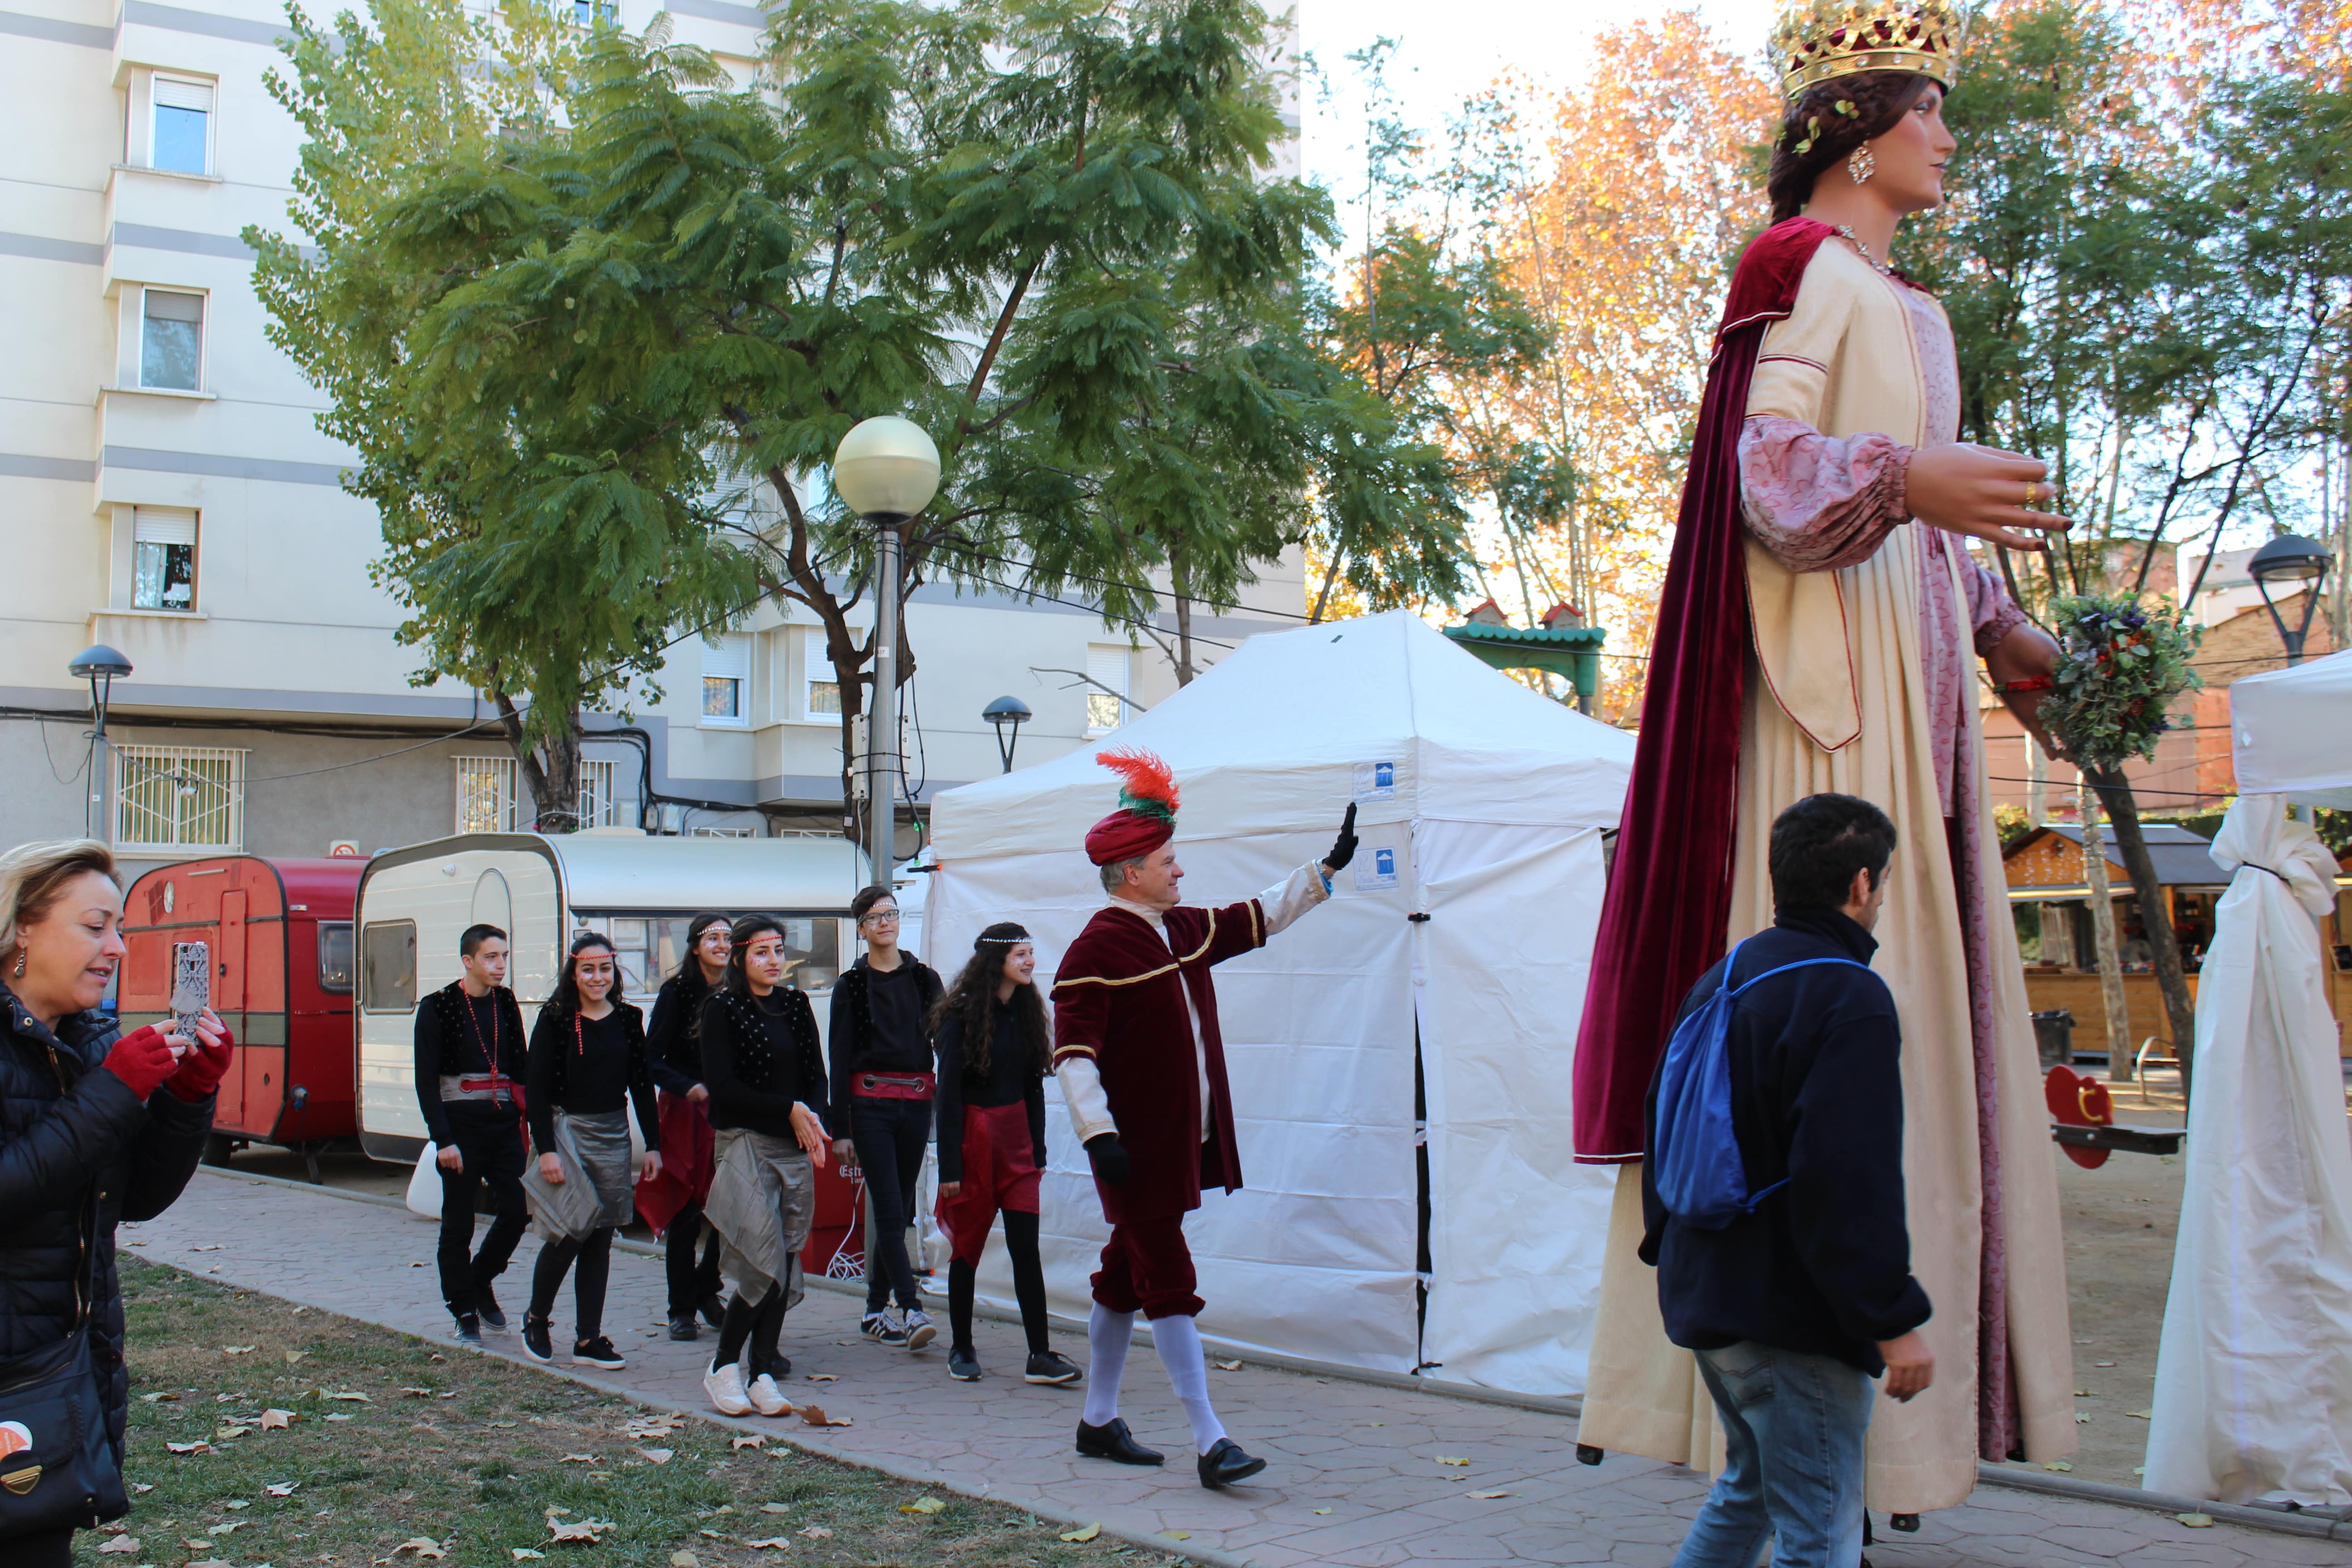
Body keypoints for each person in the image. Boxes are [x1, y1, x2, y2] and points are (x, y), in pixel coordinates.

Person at [1568, 0, 2079, 1508]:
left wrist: (2006, 632)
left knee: (1913, 1049)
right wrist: (1906, 474)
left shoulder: (1908, 304)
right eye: (1929, 111)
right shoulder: (1795, 263)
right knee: (1851, 1041)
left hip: (1916, 717)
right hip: (1829, 716)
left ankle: (1879, 1451)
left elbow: (1924, 542)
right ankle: (1809, 1445)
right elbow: (1767, 473)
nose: (1946, 137)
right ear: (1858, 135)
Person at [1052, 747, 1357, 1488]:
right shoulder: (1095, 948)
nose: (1179, 871)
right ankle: (1209, 1439)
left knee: (1121, 1280)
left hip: (1174, 1145)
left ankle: (1098, 1421)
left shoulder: (1179, 928)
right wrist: (1099, 1134)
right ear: (1131, 873)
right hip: (1132, 1152)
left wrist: (1324, 870)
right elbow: (1072, 1055)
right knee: (1168, 1280)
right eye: (1168, 862)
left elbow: (1256, 917)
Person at [1645, 795, 1934, 1568]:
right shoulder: (1847, 993)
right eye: (1883, 881)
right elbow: (1847, 1176)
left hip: (1706, 1288)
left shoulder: (1727, 972)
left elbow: (1661, 1120)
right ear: (1863, 883)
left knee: (1748, 1492)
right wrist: (1889, 1317)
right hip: (1788, 1312)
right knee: (1817, 1528)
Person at [0, 840, 230, 1568]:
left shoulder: (93, 1042)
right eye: (96, 927)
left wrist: (188, 1099)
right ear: (22, 926)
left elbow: (138, 1199)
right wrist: (113, 1093)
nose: (118, 949)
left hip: (61, 1379)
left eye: (120, 930)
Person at [931, 922, 1080, 1385]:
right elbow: (947, 1094)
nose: (1030, 961)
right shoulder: (960, 1016)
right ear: (996, 961)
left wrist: (1038, 1150)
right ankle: (961, 1347)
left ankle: (1040, 1354)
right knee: (967, 1248)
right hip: (975, 1142)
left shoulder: (1027, 1012)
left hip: (1017, 1145)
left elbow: (1033, 1087)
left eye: (1031, 953)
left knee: (1026, 1250)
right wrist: (950, 1166)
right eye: (1021, 954)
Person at [699, 915, 833, 1418]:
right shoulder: (723, 1008)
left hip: (793, 1145)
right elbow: (724, 1087)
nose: (774, 961)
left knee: (787, 1258)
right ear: (739, 958)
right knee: (764, 1261)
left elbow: (816, 1075)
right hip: (746, 1144)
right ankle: (722, 1366)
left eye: (779, 950)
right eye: (761, 952)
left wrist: (810, 1117)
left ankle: (761, 1373)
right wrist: (788, 1110)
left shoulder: (796, 1005)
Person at [521, 932, 661, 1371]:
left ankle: (588, 1338)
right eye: (588, 969)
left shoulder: (629, 1019)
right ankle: (536, 1319)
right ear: (574, 973)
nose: (598, 977)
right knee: (569, 1232)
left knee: (601, 1238)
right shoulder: (555, 1019)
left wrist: (654, 1145)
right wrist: (547, 1150)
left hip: (613, 1135)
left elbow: (642, 1085)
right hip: (567, 1134)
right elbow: (536, 1091)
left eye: (605, 969)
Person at [828, 886, 945, 1350]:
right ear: (861, 929)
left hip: (916, 1103)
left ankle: (875, 1311)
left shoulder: (924, 978)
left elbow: (946, 1038)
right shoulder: (851, 986)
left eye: (891, 914)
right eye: (875, 917)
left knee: (898, 1206)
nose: (885, 923)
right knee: (891, 1208)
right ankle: (912, 1308)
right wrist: (840, 1129)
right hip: (869, 1106)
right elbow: (839, 1058)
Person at [414, 922, 530, 1345]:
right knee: (458, 1224)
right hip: (459, 1129)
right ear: (468, 961)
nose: (500, 965)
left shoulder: (505, 1002)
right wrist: (443, 1140)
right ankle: (463, 1309)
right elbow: (426, 1081)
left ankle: (479, 1279)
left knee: (519, 1209)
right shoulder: (439, 1006)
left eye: (504, 956)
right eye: (491, 957)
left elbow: (522, 1066)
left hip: (503, 1126)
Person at [642, 911, 731, 1341]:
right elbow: (651, 1058)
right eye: (712, 938)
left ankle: (706, 1288)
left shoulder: (740, 990)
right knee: (686, 1212)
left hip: (731, 1111)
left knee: (730, 1208)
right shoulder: (675, 993)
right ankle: (681, 1308)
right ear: (695, 947)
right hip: (686, 1113)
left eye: (728, 938)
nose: (722, 945)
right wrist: (688, 1086)